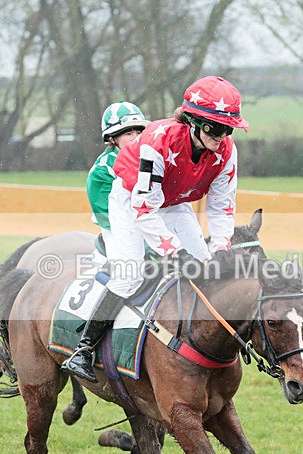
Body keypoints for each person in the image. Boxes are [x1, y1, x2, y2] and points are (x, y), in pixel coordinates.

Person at [61, 76, 249, 382]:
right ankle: (83, 350)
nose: (222, 136)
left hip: (174, 201)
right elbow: (144, 209)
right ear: (192, 122)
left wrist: (221, 248)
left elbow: (221, 207)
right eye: (215, 128)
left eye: (228, 129)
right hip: (130, 201)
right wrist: (173, 252)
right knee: (130, 273)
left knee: (208, 269)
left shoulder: (227, 152)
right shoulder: (157, 142)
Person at [87, 101, 150, 253]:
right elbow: (111, 219)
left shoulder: (151, 159)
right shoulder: (102, 170)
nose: (135, 138)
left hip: (151, 227)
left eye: (139, 132)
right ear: (111, 138)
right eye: (128, 133)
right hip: (119, 234)